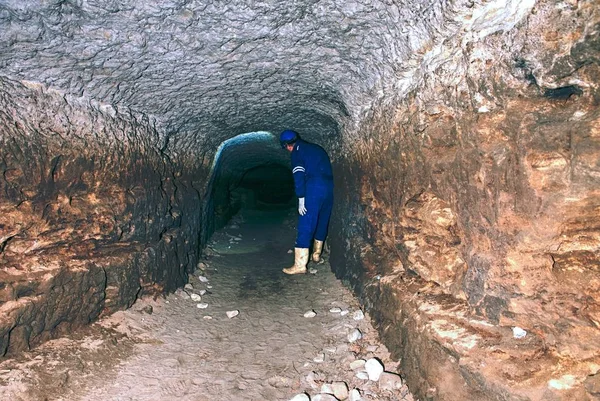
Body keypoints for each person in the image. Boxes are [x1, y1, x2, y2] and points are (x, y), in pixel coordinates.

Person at [279, 130, 334, 275]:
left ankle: (300, 265)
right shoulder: (317, 148)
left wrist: (301, 197)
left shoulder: (297, 153)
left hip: (314, 188)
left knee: (306, 222)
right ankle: (316, 255)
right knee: (322, 220)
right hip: (329, 188)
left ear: (287, 146)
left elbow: (299, 175)